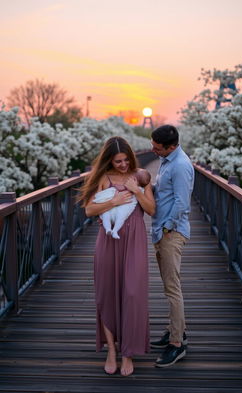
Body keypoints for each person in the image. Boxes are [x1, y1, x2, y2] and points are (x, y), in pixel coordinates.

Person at [79, 136, 155, 376]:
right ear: (109, 160)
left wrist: (135, 191)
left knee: (133, 293)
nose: (123, 165)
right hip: (108, 241)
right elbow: (90, 209)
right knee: (107, 292)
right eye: (118, 161)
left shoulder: (141, 176)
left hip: (134, 240)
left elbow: (151, 209)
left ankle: (128, 353)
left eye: (126, 160)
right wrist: (113, 201)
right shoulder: (103, 178)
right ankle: (112, 350)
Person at [150, 125, 194, 368]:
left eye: (156, 148)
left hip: (171, 233)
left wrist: (166, 228)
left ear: (171, 146)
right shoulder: (167, 160)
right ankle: (176, 330)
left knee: (172, 288)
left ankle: (177, 345)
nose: (152, 150)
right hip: (162, 231)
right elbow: (164, 193)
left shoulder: (180, 166)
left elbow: (181, 202)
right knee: (170, 285)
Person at [93, 170, 151, 239]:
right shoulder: (104, 177)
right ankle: (108, 229)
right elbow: (90, 210)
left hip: (130, 222)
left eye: (132, 176)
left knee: (120, 218)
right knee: (106, 215)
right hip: (112, 210)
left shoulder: (139, 189)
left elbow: (151, 210)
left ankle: (115, 230)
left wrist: (136, 190)